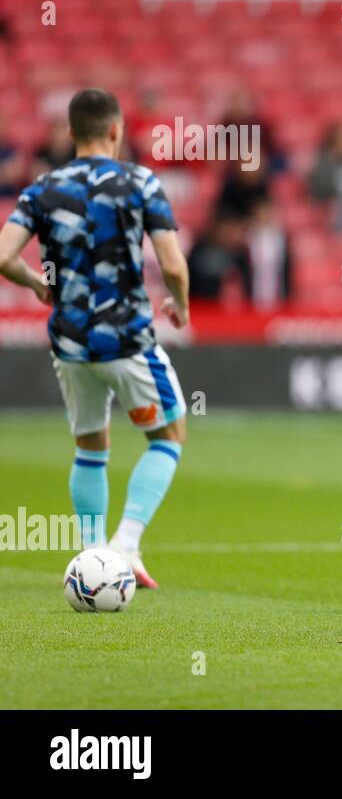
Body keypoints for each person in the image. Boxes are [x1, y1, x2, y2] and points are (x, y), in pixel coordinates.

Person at [0, 89, 189, 587]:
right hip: (126, 339)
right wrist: (180, 304)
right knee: (168, 436)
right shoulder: (140, 182)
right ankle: (126, 544)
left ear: (70, 134)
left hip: (69, 343)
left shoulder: (42, 189)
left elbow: (2, 255)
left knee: (89, 447)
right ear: (115, 131)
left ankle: (91, 558)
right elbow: (171, 263)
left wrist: (38, 284)